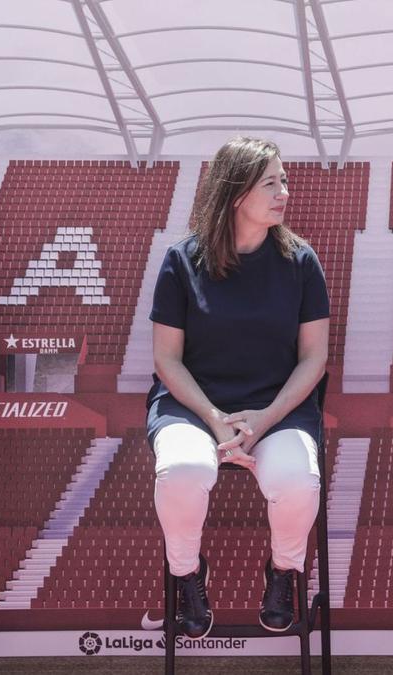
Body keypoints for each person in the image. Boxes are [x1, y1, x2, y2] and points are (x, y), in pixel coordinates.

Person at [147, 136, 329, 637]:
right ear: (235, 192)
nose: (284, 192)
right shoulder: (182, 260)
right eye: (270, 182)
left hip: (278, 409)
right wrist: (214, 419)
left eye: (284, 180)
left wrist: (264, 419)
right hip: (193, 408)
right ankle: (186, 575)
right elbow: (166, 358)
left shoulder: (300, 261)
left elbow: (315, 357)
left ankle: (283, 571)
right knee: (183, 469)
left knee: (295, 481)